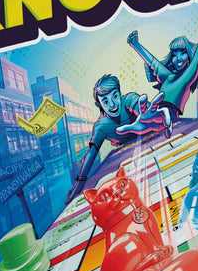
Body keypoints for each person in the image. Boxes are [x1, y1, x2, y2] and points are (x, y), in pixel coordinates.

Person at [65, 74, 172, 205]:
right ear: (99, 105)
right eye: (105, 102)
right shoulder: (101, 127)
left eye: (115, 96)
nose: (112, 104)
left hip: (153, 143)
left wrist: (152, 119)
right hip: (129, 159)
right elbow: (92, 152)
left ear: (120, 94)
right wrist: (81, 182)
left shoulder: (129, 100)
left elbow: (145, 110)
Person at [127, 0, 198, 116]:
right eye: (174, 54)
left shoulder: (188, 75)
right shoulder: (168, 77)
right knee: (131, 100)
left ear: (189, 56)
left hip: (168, 116)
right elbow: (152, 62)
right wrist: (135, 44)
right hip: (155, 113)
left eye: (182, 52)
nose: (178, 58)